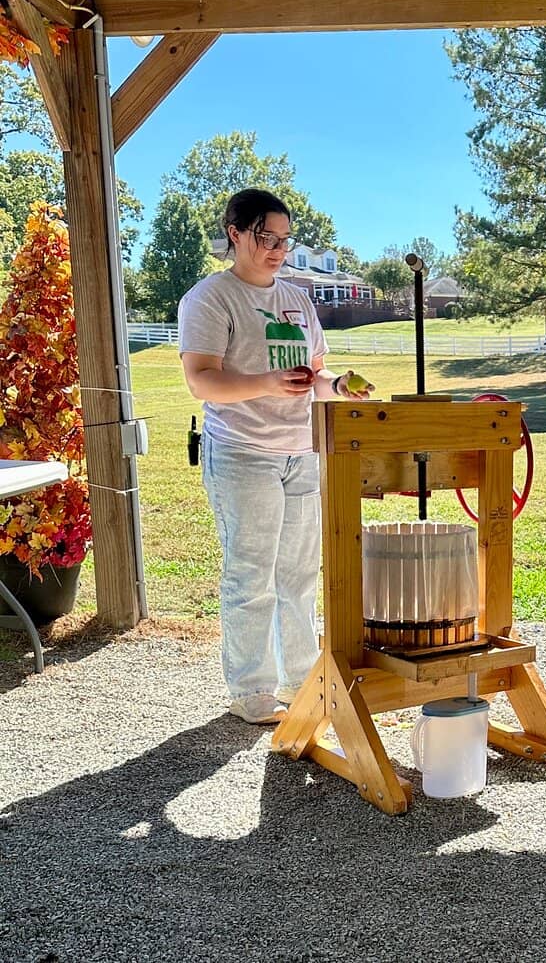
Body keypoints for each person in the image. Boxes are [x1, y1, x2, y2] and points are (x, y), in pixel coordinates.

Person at [178, 188, 375, 726]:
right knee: (250, 574)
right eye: (267, 238)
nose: (278, 250)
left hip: (301, 452)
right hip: (243, 453)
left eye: (285, 240)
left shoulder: (297, 298)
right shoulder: (210, 298)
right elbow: (201, 380)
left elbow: (312, 377)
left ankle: (299, 679)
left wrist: (340, 385)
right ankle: (251, 690)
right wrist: (267, 382)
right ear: (235, 233)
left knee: (298, 575)